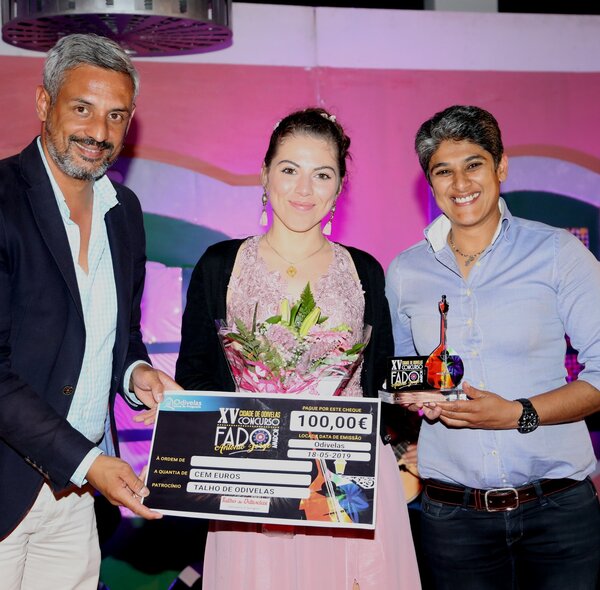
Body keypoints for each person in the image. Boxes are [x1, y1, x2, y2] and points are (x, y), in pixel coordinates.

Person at [176, 107, 421, 590]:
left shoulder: (365, 271)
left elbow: (384, 375)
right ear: (264, 174)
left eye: (322, 174)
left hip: (347, 479)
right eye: (289, 170)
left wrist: (427, 388)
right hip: (251, 477)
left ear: (339, 186)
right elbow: (196, 372)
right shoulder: (220, 264)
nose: (304, 189)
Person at [386, 104, 600, 589]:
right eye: (443, 171)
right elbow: (403, 375)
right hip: (453, 520)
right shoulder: (405, 272)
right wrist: (411, 405)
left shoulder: (557, 253)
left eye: (474, 164)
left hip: (558, 514)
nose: (460, 183)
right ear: (430, 182)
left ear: (501, 166)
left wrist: (518, 413)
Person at [0, 34, 180, 589]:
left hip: (77, 499)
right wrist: (89, 463)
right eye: (82, 108)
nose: (99, 132)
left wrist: (137, 374)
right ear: (44, 103)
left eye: (116, 115)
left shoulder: (123, 211)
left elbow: (120, 335)